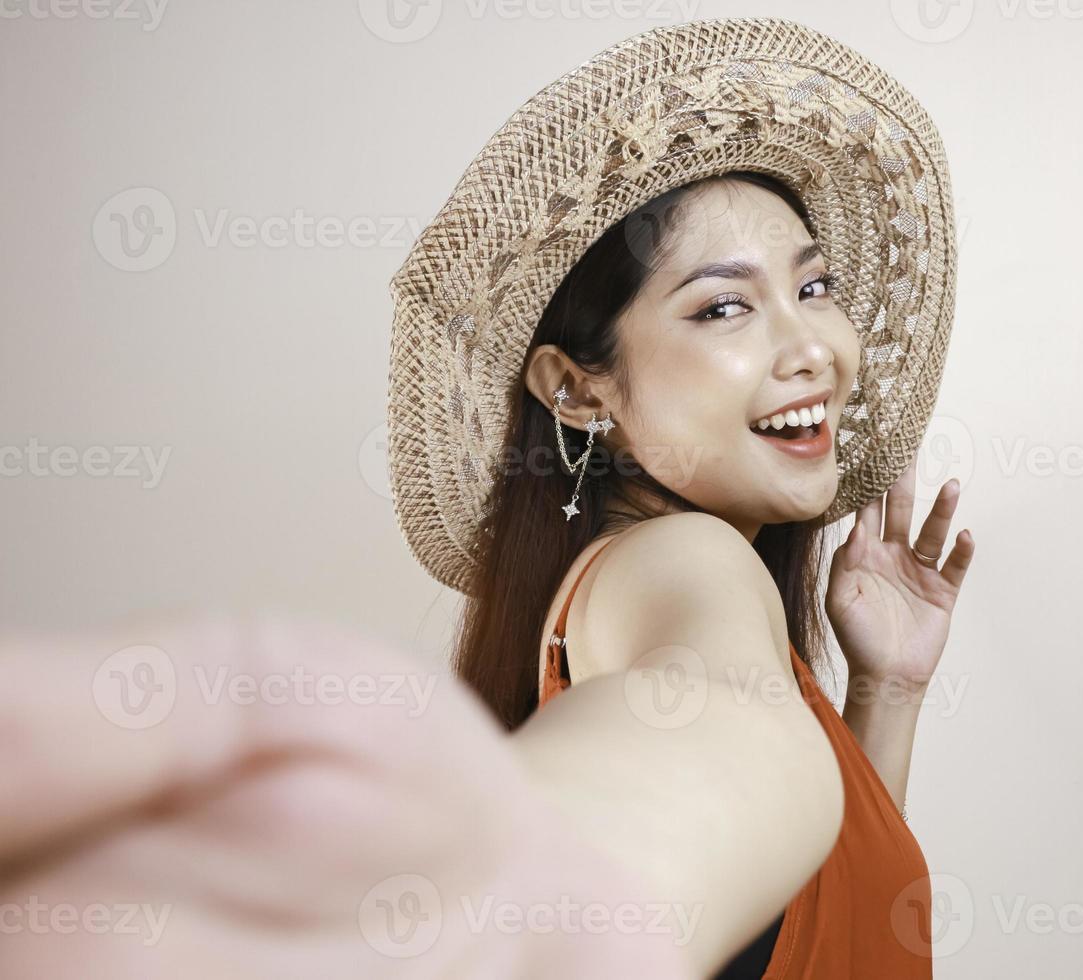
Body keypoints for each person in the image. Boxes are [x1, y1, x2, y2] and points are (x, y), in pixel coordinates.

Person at [2, 16, 967, 979]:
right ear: (578, 390)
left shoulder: (666, 591)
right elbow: (708, 736)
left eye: (816, 285)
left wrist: (888, 691)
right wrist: (513, 896)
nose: (810, 347)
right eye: (724, 306)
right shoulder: (686, 563)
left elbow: (840, 928)